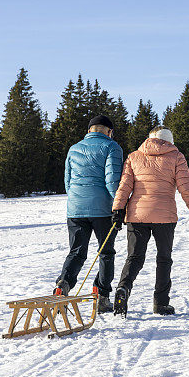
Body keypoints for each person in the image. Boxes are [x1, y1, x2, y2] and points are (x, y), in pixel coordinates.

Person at [111, 125, 189, 316]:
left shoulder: (134, 156)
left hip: (137, 215)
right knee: (164, 259)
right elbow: (186, 188)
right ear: (169, 140)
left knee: (134, 257)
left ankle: (123, 289)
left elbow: (124, 185)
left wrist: (118, 209)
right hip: (165, 216)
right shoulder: (176, 156)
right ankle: (161, 303)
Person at [55, 115, 123, 313]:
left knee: (77, 252)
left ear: (90, 130)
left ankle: (62, 286)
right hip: (102, 209)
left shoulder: (73, 148)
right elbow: (112, 180)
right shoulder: (112, 147)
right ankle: (101, 296)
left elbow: (67, 181)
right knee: (106, 252)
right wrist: (119, 205)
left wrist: (77, 198)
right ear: (108, 131)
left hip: (75, 208)